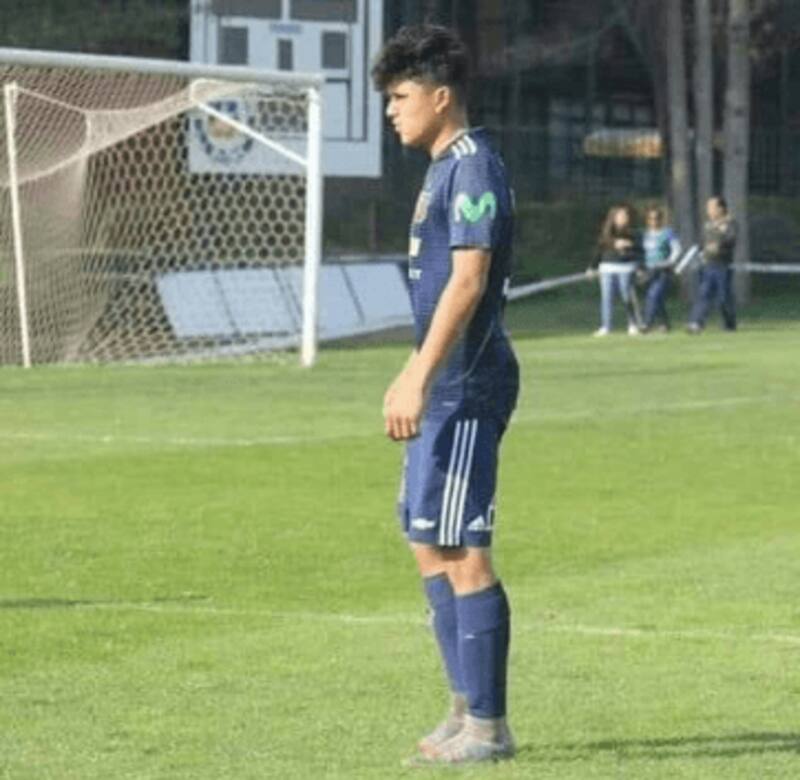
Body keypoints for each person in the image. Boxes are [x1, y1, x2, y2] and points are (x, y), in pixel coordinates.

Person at [371, 24, 518, 766]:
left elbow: (469, 278)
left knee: (462, 545)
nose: (391, 111)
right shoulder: (438, 170)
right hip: (443, 382)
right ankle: (463, 709)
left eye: (399, 97)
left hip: (466, 382)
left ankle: (490, 727)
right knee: (426, 536)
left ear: (440, 95)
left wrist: (418, 375)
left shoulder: (472, 166)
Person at [590, 204, 643, 336]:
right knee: (607, 297)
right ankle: (606, 326)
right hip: (607, 268)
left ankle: (632, 324)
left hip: (626, 268)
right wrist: (592, 267)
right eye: (621, 216)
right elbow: (599, 251)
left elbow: (640, 251)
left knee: (627, 296)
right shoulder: (606, 234)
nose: (624, 218)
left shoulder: (633, 234)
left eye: (626, 216)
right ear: (614, 218)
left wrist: (630, 248)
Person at [688, 196, 738, 333]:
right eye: (708, 207)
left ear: (721, 208)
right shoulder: (707, 225)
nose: (709, 210)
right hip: (707, 265)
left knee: (723, 297)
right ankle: (696, 322)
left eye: (712, 207)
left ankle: (729, 323)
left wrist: (719, 244)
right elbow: (701, 243)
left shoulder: (730, 223)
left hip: (723, 266)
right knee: (704, 294)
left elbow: (731, 240)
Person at [640, 206, 681, 332]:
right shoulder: (645, 234)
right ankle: (664, 323)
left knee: (654, 295)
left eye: (657, 218)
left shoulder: (667, 233)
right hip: (649, 269)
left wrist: (669, 262)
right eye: (651, 219)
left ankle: (647, 323)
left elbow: (677, 249)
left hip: (663, 270)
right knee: (656, 298)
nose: (654, 221)